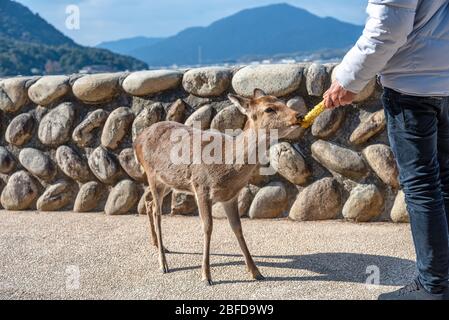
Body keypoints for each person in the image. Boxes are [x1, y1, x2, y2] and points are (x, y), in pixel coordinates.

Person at [324, 0, 449, 300]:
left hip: (411, 85)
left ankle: (434, 286)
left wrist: (348, 78)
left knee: (422, 186)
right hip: (445, 80)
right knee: (444, 182)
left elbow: (389, 26)